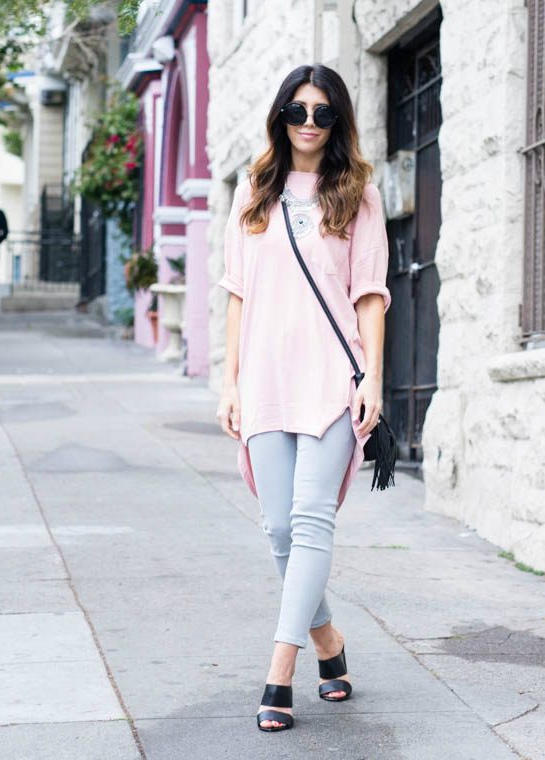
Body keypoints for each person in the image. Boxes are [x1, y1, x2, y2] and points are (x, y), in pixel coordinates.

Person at [216, 63, 391, 733]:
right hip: (262, 376)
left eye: (323, 113)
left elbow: (370, 294)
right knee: (279, 528)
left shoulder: (358, 195)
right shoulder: (251, 193)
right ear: (281, 115)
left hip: (330, 378)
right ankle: (327, 641)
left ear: (338, 121)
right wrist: (229, 381)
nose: (310, 124)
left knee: (312, 521)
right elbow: (236, 293)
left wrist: (372, 377)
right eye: (299, 110)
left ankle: (280, 669)